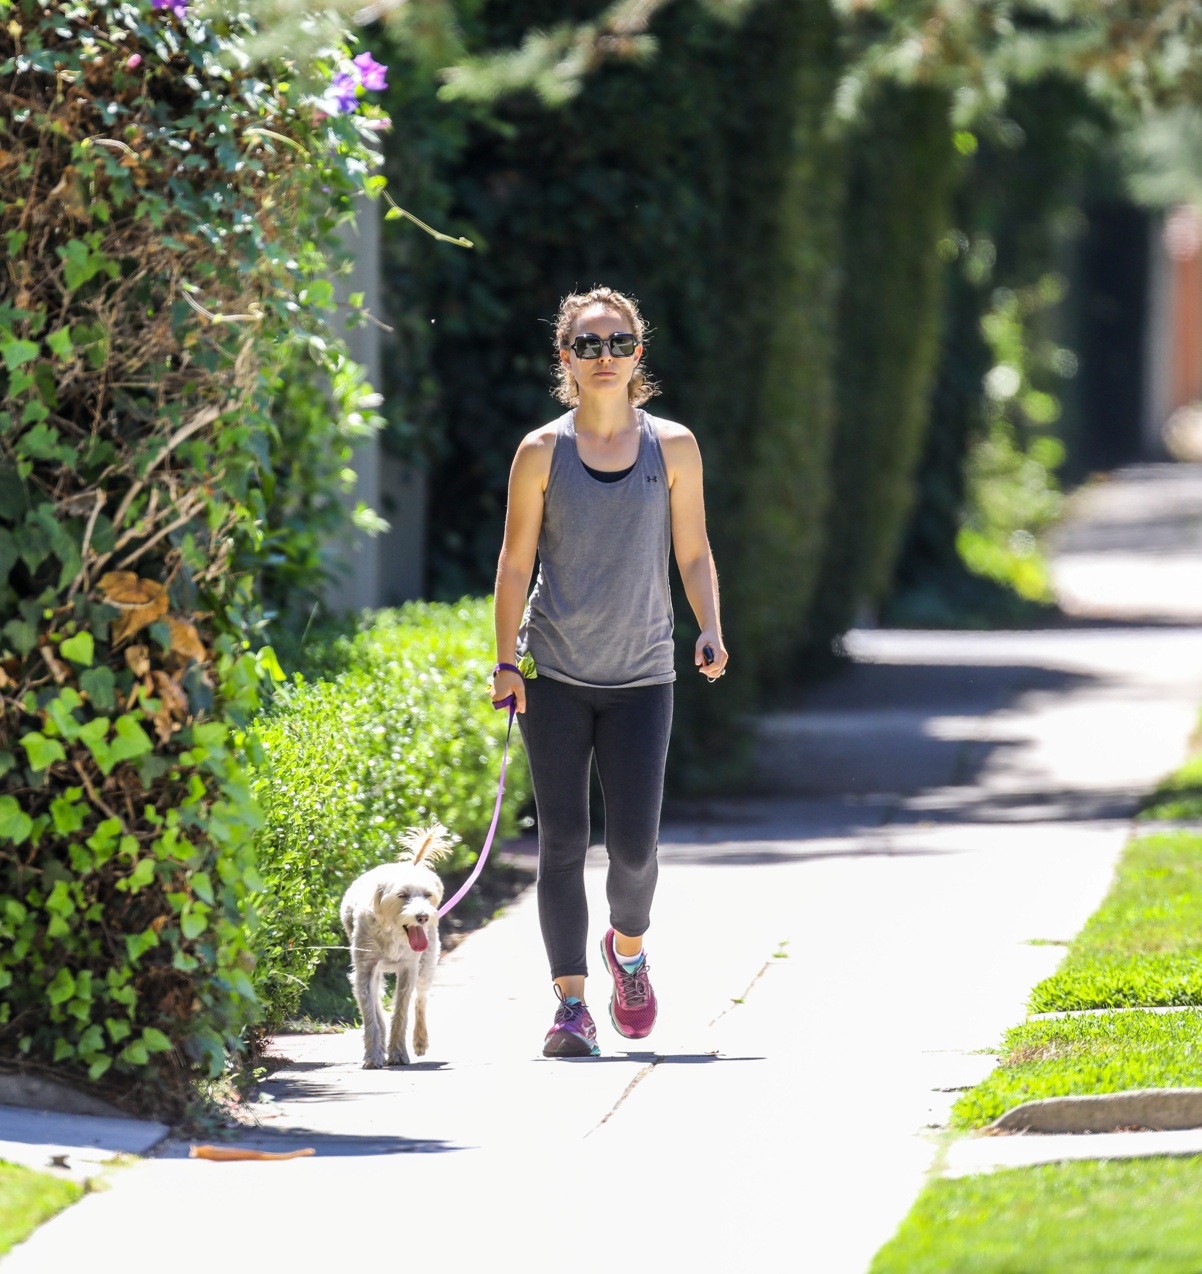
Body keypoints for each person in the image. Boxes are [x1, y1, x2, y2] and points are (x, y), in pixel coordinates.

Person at [491, 285, 729, 1058]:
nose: (604, 357)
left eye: (617, 343)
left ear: (638, 355)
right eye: (587, 345)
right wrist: (504, 663)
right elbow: (514, 561)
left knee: (633, 848)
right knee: (562, 843)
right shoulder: (541, 452)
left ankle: (627, 951)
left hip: (642, 676)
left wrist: (711, 629)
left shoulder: (675, 447)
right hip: (555, 674)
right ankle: (569, 1007)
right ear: (565, 358)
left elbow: (692, 550)